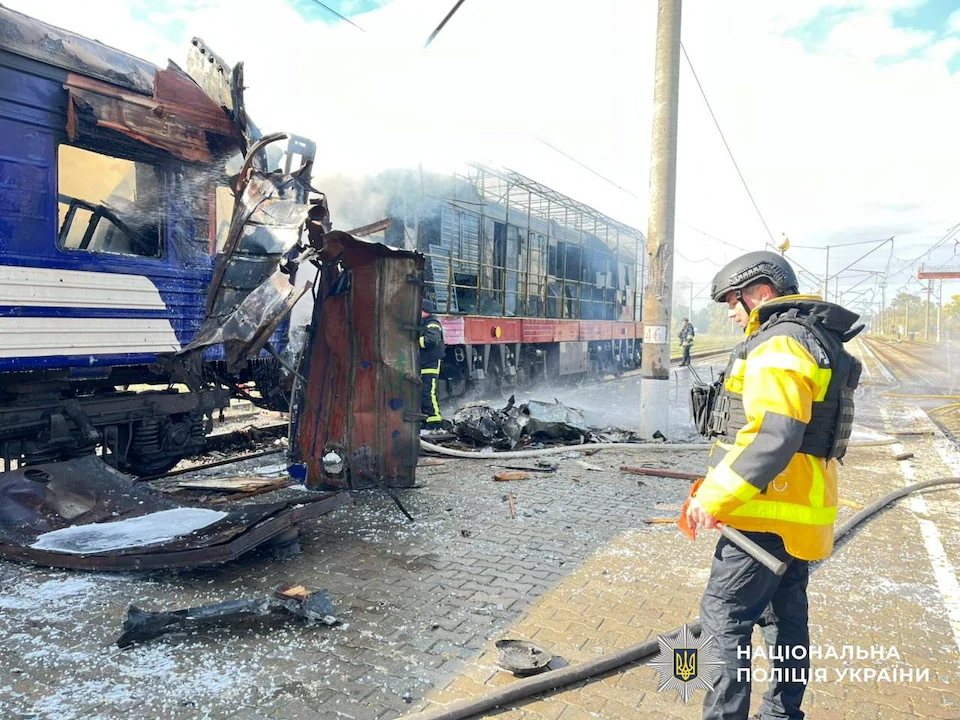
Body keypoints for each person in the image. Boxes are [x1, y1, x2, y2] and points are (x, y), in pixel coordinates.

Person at [685, 251, 862, 720]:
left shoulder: (779, 343)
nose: (728, 310)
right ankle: (782, 714)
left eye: (732, 299)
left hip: (761, 514)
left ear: (760, 292)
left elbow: (775, 434)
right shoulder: (813, 337)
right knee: (785, 620)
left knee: (725, 620)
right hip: (796, 513)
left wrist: (716, 495)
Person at [419, 298, 445, 430]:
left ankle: (435, 422)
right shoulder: (424, 323)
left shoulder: (432, 324)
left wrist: (413, 342)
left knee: (428, 393)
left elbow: (431, 340)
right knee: (423, 393)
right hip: (423, 364)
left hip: (430, 364)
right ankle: (426, 419)